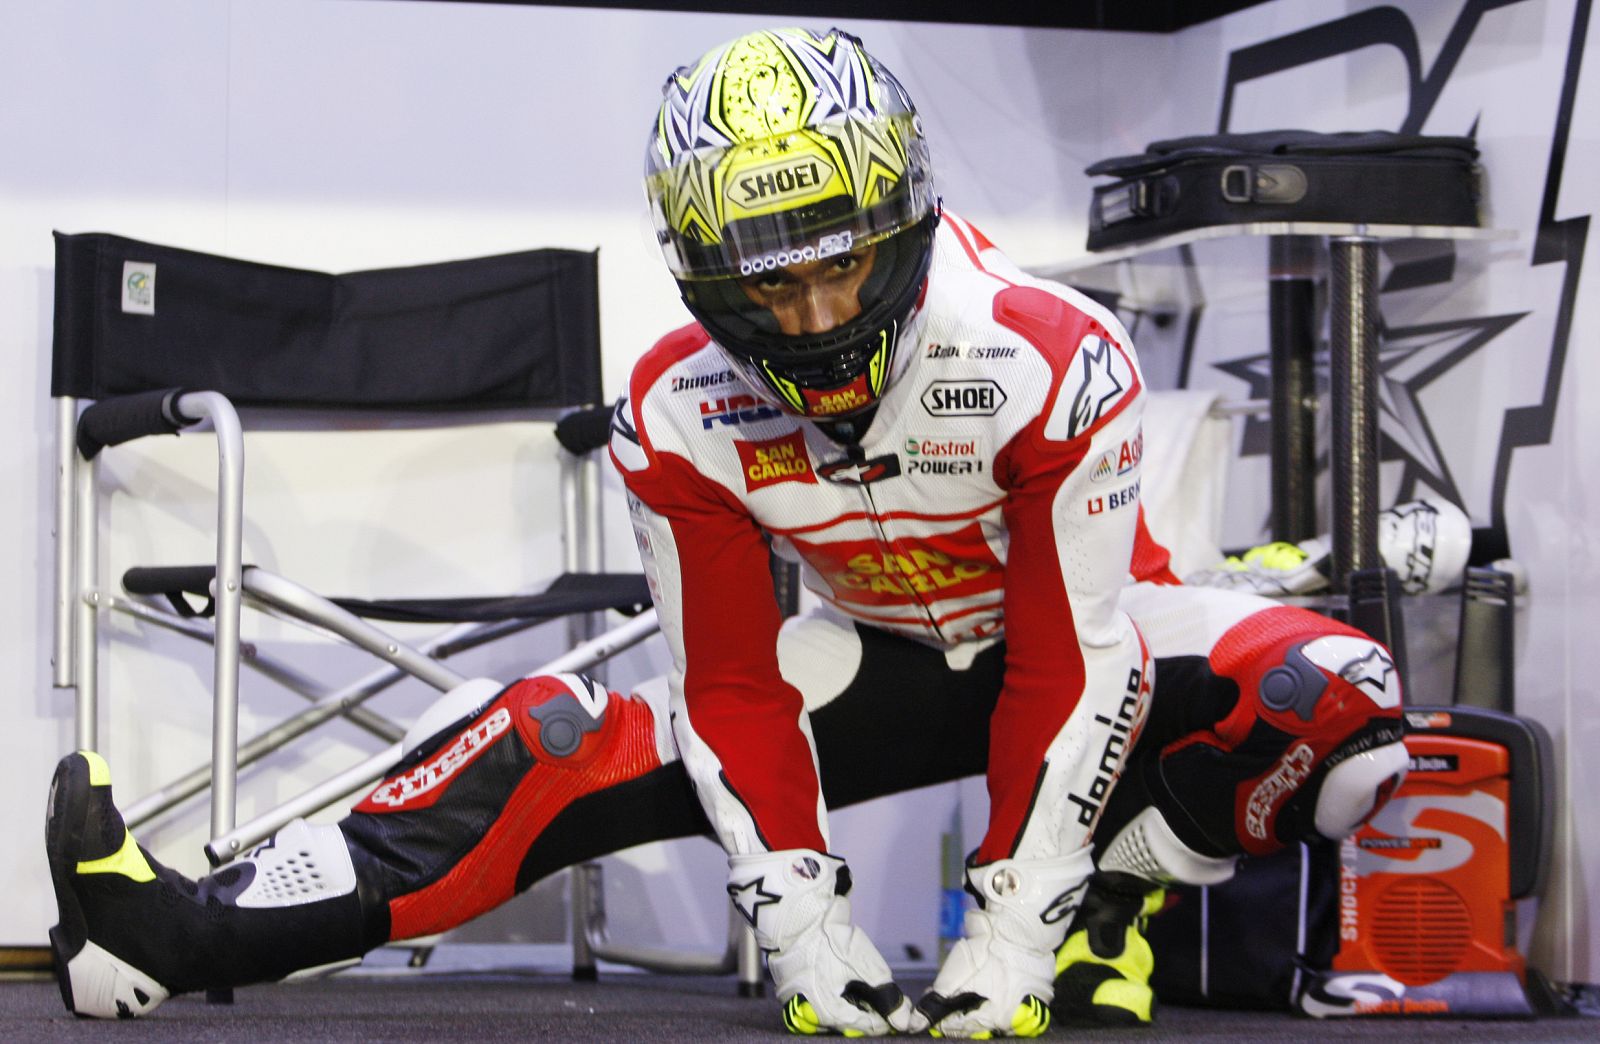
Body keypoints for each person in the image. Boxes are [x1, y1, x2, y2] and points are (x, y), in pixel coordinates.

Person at [44, 27, 1408, 1036]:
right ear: (702, 273)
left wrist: (1012, 928)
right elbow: (733, 688)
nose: (816, 320)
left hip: (1095, 653)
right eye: (772, 284)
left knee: (1337, 703)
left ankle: (1111, 905)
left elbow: (1072, 659)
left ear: (909, 220)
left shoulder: (1053, 353)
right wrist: (807, 931)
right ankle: (186, 924)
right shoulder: (674, 402)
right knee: (549, 739)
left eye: (844, 262)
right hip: (875, 653)